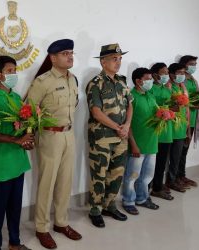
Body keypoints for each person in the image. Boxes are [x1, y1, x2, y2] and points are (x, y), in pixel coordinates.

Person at [27, 39, 81, 249]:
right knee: (47, 183)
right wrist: (30, 135)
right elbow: (29, 112)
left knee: (65, 181)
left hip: (69, 135)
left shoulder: (73, 79)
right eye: (65, 53)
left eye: (71, 53)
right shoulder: (43, 82)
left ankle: (61, 222)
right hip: (49, 136)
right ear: (53, 57)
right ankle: (42, 227)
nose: (70, 56)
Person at [0, 55, 33, 250]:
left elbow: (22, 128)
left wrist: (28, 140)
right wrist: (15, 140)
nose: (14, 74)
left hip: (18, 162)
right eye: (10, 71)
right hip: (0, 164)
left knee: (15, 207)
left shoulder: (17, 98)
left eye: (15, 70)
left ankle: (14, 242)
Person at [86, 43, 133, 227]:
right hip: (102, 137)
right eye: (114, 59)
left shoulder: (122, 81)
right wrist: (117, 127)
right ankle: (95, 209)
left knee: (117, 173)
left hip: (121, 136)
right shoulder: (95, 84)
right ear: (103, 62)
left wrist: (127, 126)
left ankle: (110, 205)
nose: (118, 62)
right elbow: (96, 112)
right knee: (99, 174)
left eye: (120, 58)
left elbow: (130, 105)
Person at [122, 68, 159, 215]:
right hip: (137, 144)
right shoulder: (131, 96)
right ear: (138, 81)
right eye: (148, 79)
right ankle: (128, 201)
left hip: (152, 143)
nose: (151, 81)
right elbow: (127, 123)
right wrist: (133, 145)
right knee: (132, 176)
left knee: (147, 176)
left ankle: (142, 198)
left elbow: (156, 114)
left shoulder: (150, 95)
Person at [149, 63, 174, 200]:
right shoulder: (151, 89)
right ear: (155, 74)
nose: (166, 75)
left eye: (167, 72)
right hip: (155, 130)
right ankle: (148, 187)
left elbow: (171, 106)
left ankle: (158, 187)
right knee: (151, 162)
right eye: (163, 72)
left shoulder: (167, 88)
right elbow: (152, 109)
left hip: (167, 130)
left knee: (162, 162)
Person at [165, 63, 189, 192]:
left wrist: (187, 128)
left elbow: (186, 109)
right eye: (179, 73)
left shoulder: (182, 88)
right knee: (163, 158)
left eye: (183, 73)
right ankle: (161, 183)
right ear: (172, 74)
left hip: (181, 127)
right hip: (170, 127)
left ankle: (172, 180)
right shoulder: (168, 87)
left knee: (176, 157)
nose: (182, 75)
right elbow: (166, 106)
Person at [177, 55, 199, 187]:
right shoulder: (181, 81)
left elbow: (195, 99)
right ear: (184, 65)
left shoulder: (193, 80)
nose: (194, 67)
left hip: (193, 119)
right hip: (183, 120)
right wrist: (194, 104)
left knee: (184, 151)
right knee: (178, 152)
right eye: (192, 64)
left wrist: (196, 103)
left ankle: (182, 176)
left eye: (195, 64)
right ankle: (175, 178)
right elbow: (180, 101)